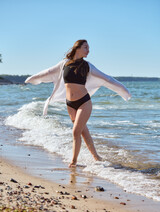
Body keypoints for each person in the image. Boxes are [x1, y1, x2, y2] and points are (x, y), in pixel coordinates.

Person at [25, 39, 131, 167]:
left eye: (89, 48)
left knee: (76, 132)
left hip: (84, 102)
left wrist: (124, 91)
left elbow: (107, 78)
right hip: (70, 104)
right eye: (86, 47)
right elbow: (48, 72)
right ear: (77, 48)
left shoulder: (88, 66)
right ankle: (96, 157)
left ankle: (74, 161)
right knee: (83, 132)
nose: (88, 50)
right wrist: (32, 79)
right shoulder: (64, 64)